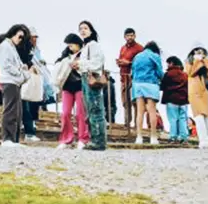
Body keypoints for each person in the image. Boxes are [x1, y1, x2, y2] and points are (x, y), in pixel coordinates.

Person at [73, 21, 108, 151]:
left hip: (91, 77)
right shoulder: (86, 46)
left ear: (91, 31)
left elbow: (97, 62)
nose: (82, 30)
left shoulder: (93, 45)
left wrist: (80, 64)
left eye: (85, 28)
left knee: (95, 109)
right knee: (91, 109)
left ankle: (98, 141)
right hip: (85, 77)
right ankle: (96, 140)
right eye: (80, 28)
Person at [0, 25, 30, 148]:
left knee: (17, 111)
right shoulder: (5, 46)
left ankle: (14, 140)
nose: (21, 39)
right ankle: (7, 139)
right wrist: (20, 73)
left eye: (23, 37)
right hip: (9, 81)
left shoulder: (11, 47)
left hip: (14, 81)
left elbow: (16, 63)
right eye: (20, 36)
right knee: (10, 110)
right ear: (13, 33)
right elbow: (6, 65)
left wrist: (22, 69)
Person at [53, 33, 89, 150]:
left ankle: (82, 138)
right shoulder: (65, 57)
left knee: (80, 114)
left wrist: (79, 65)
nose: (70, 47)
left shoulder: (84, 55)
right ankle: (66, 139)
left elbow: (89, 68)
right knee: (65, 113)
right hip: (67, 87)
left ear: (78, 44)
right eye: (69, 45)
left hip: (80, 86)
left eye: (72, 44)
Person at [130, 42, 164, 145]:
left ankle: (139, 137)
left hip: (137, 84)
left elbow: (133, 72)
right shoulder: (155, 56)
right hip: (151, 84)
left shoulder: (137, 56)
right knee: (152, 111)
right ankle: (153, 137)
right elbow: (159, 72)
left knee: (140, 112)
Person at [116, 28, 145, 129]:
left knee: (135, 102)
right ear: (124, 37)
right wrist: (120, 62)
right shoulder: (123, 48)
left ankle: (137, 124)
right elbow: (121, 60)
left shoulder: (140, 48)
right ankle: (127, 123)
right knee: (125, 102)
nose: (130, 37)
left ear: (135, 36)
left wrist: (129, 63)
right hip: (123, 78)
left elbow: (143, 63)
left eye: (131, 35)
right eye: (128, 36)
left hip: (135, 79)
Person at [161, 56, 190, 143]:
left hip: (171, 100)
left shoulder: (168, 74)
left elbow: (162, 86)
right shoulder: (185, 75)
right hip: (183, 101)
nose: (167, 65)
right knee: (182, 119)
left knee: (173, 119)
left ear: (172, 63)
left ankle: (173, 137)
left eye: (168, 63)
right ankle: (184, 138)